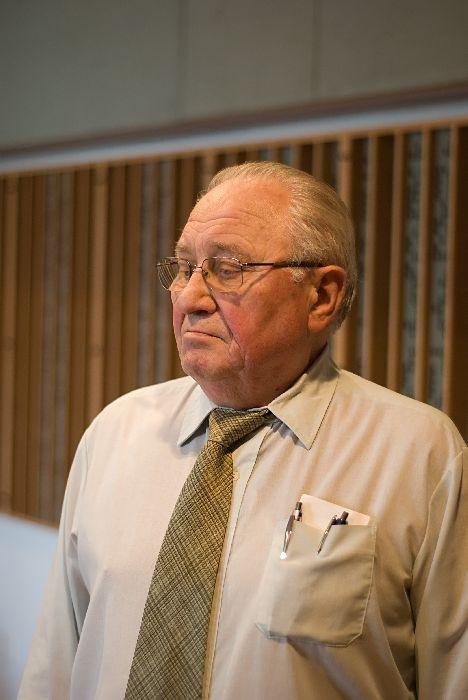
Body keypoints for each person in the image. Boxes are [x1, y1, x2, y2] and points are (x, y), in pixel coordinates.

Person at [19, 162, 467, 699]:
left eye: (227, 269)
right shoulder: (116, 433)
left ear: (321, 296)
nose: (190, 298)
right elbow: (55, 664)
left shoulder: (419, 454)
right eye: (185, 268)